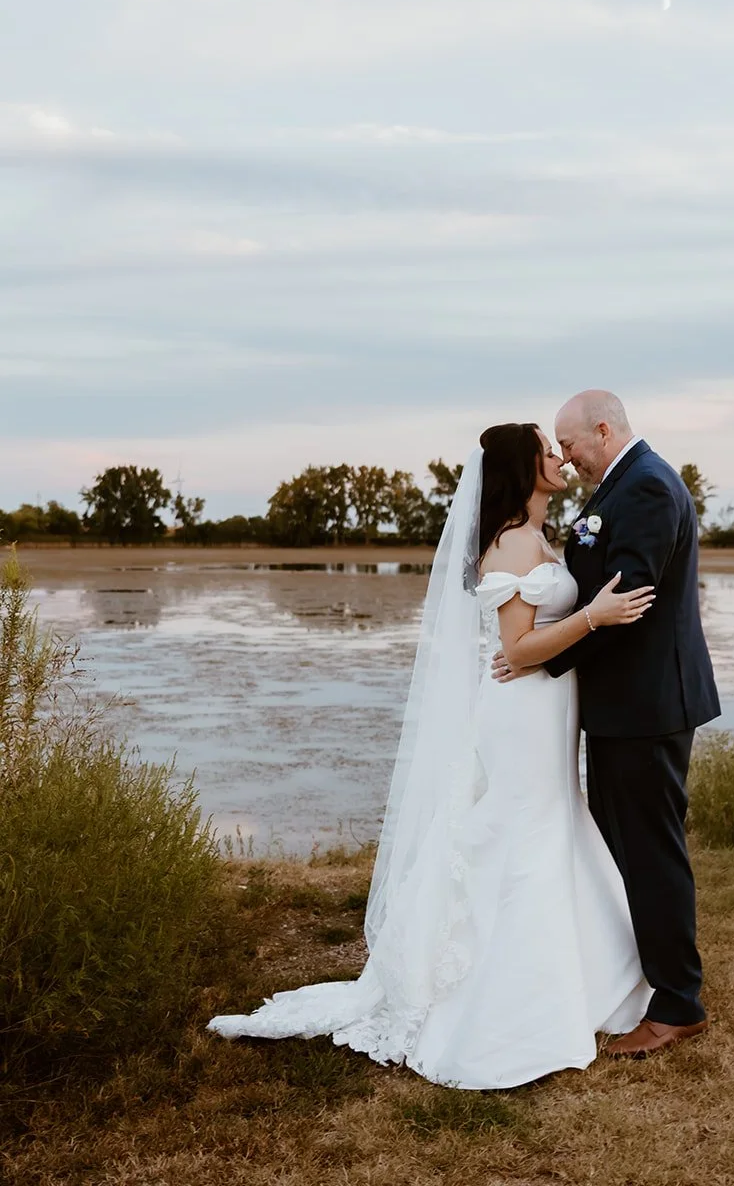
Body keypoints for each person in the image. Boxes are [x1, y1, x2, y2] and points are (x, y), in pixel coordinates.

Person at [208, 421, 657, 1088]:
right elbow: (517, 653)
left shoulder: (536, 535)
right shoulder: (508, 544)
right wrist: (594, 616)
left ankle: (588, 976)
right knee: (523, 829)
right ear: (524, 468)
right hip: (521, 711)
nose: (560, 458)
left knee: (552, 822)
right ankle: (501, 1002)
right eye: (547, 451)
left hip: (548, 711)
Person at [494, 389, 720, 1057]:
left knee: (651, 854)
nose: (567, 458)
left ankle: (678, 1003)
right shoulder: (622, 485)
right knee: (627, 847)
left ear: (601, 428)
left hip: (648, 706)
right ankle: (648, 978)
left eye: (571, 445)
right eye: (557, 451)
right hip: (628, 704)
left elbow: (628, 603)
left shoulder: (645, 487)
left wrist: (539, 661)